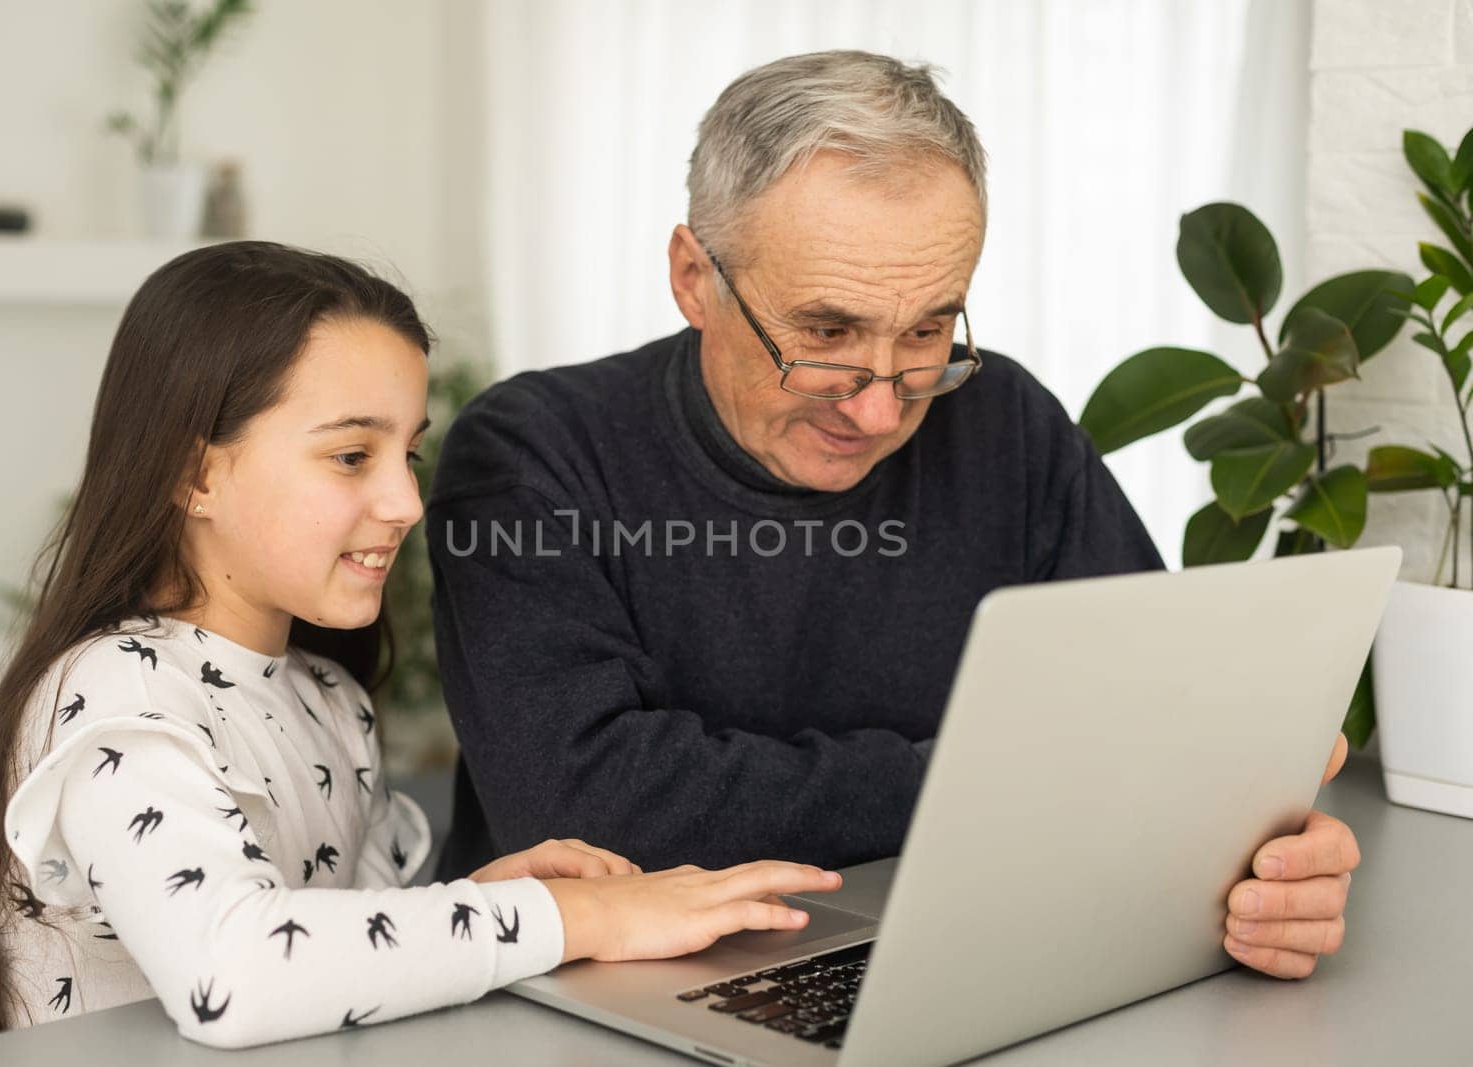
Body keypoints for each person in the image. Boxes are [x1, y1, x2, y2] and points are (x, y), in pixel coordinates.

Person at [426, 50, 1359, 982]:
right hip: (602, 992)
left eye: (925, 334)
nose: (878, 410)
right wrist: (1003, 778)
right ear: (692, 278)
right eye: (827, 335)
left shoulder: (1006, 422)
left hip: (962, 953)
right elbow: (583, 804)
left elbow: (1156, 731)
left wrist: (1268, 868)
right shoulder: (530, 453)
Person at [0, 242, 841, 1053]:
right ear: (196, 475)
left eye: (408, 454)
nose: (405, 503)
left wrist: (480, 895)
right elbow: (238, 971)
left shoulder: (324, 697)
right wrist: (576, 918)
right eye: (352, 456)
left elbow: (339, 952)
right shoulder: (113, 697)